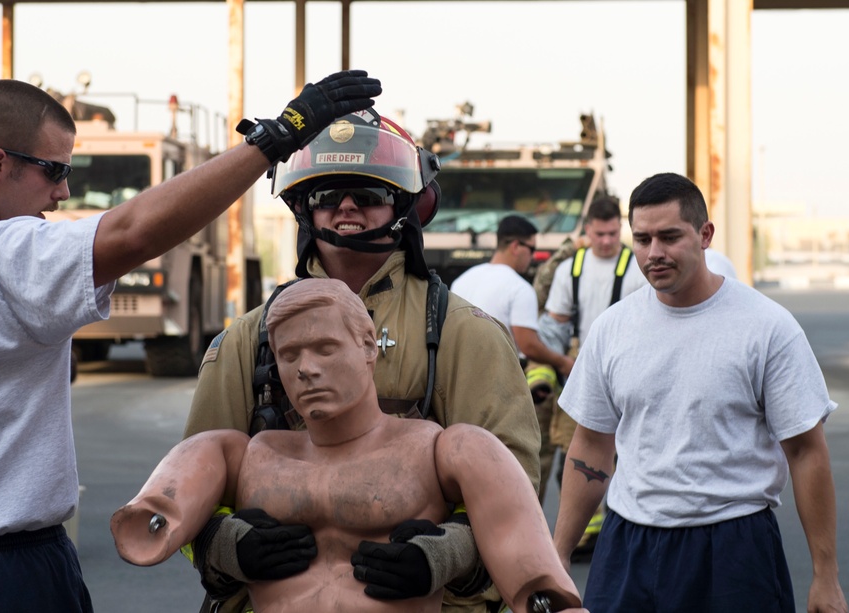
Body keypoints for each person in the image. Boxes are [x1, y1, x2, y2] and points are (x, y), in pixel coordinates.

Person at [0, 70, 381, 612]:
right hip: (0, 576)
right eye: (54, 171)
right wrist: (279, 135)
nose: (63, 191)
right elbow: (133, 231)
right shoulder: (1, 253)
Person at [184, 108, 542, 613]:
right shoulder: (247, 340)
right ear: (305, 208)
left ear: (403, 205)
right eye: (327, 195)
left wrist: (446, 555)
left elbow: (515, 486)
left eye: (369, 195)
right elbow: (191, 485)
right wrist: (228, 545)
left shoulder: (465, 334)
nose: (346, 207)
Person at [114, 279, 586, 613]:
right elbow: (151, 523)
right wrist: (222, 546)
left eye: (324, 348)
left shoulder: (447, 450)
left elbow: (534, 574)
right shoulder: (241, 454)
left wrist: (448, 553)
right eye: (289, 355)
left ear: (368, 347)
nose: (305, 369)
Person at [552, 172, 849, 613]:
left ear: (705, 234)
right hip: (628, 545)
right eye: (643, 239)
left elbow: (807, 452)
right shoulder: (612, 329)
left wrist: (826, 576)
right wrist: (556, 556)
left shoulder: (767, 327)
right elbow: (591, 446)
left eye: (670, 237)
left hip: (735, 548)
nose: (654, 253)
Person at [531, 196, 647, 543]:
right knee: (580, 445)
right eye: (600, 234)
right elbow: (555, 325)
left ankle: (620, 524)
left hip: (631, 358)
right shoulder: (572, 269)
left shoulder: (637, 266)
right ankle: (586, 532)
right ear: (587, 231)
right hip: (583, 361)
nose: (608, 241)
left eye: (613, 233)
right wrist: (551, 368)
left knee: (628, 447)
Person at [450, 214, 575, 380]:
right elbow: (529, 346)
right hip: (494, 379)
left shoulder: (461, 280)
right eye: (531, 249)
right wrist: (562, 362)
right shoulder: (520, 288)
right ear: (516, 246)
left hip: (457, 375)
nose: (532, 257)